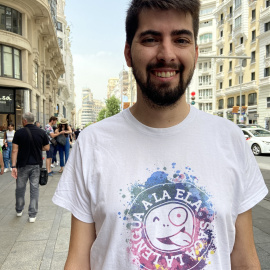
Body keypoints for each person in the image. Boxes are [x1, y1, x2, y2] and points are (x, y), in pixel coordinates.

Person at [52, 0, 268, 269]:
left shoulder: (231, 139)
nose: (167, 54)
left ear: (196, 52)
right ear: (129, 54)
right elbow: (78, 260)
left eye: (181, 39)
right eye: (151, 39)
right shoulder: (93, 143)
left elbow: (244, 258)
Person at [11, 112, 49, 223]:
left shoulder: (19, 133)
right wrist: (37, 147)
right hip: (36, 165)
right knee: (34, 189)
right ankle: (32, 215)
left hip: (22, 165)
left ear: (24, 121)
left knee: (20, 188)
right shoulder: (41, 132)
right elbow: (46, 147)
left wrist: (13, 166)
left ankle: (19, 210)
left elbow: (14, 150)